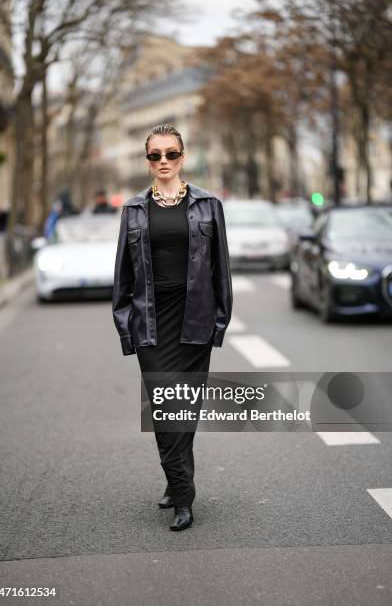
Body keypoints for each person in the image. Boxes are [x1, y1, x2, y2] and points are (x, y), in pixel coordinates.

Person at [112, 123, 233, 531]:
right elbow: (123, 278)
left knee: (185, 408)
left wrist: (219, 324)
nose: (163, 161)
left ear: (183, 157)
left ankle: (177, 487)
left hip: (194, 318)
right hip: (151, 321)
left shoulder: (208, 204)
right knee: (165, 408)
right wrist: (126, 329)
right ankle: (182, 492)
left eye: (170, 154)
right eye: (155, 155)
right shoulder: (132, 209)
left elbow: (221, 272)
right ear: (147, 160)